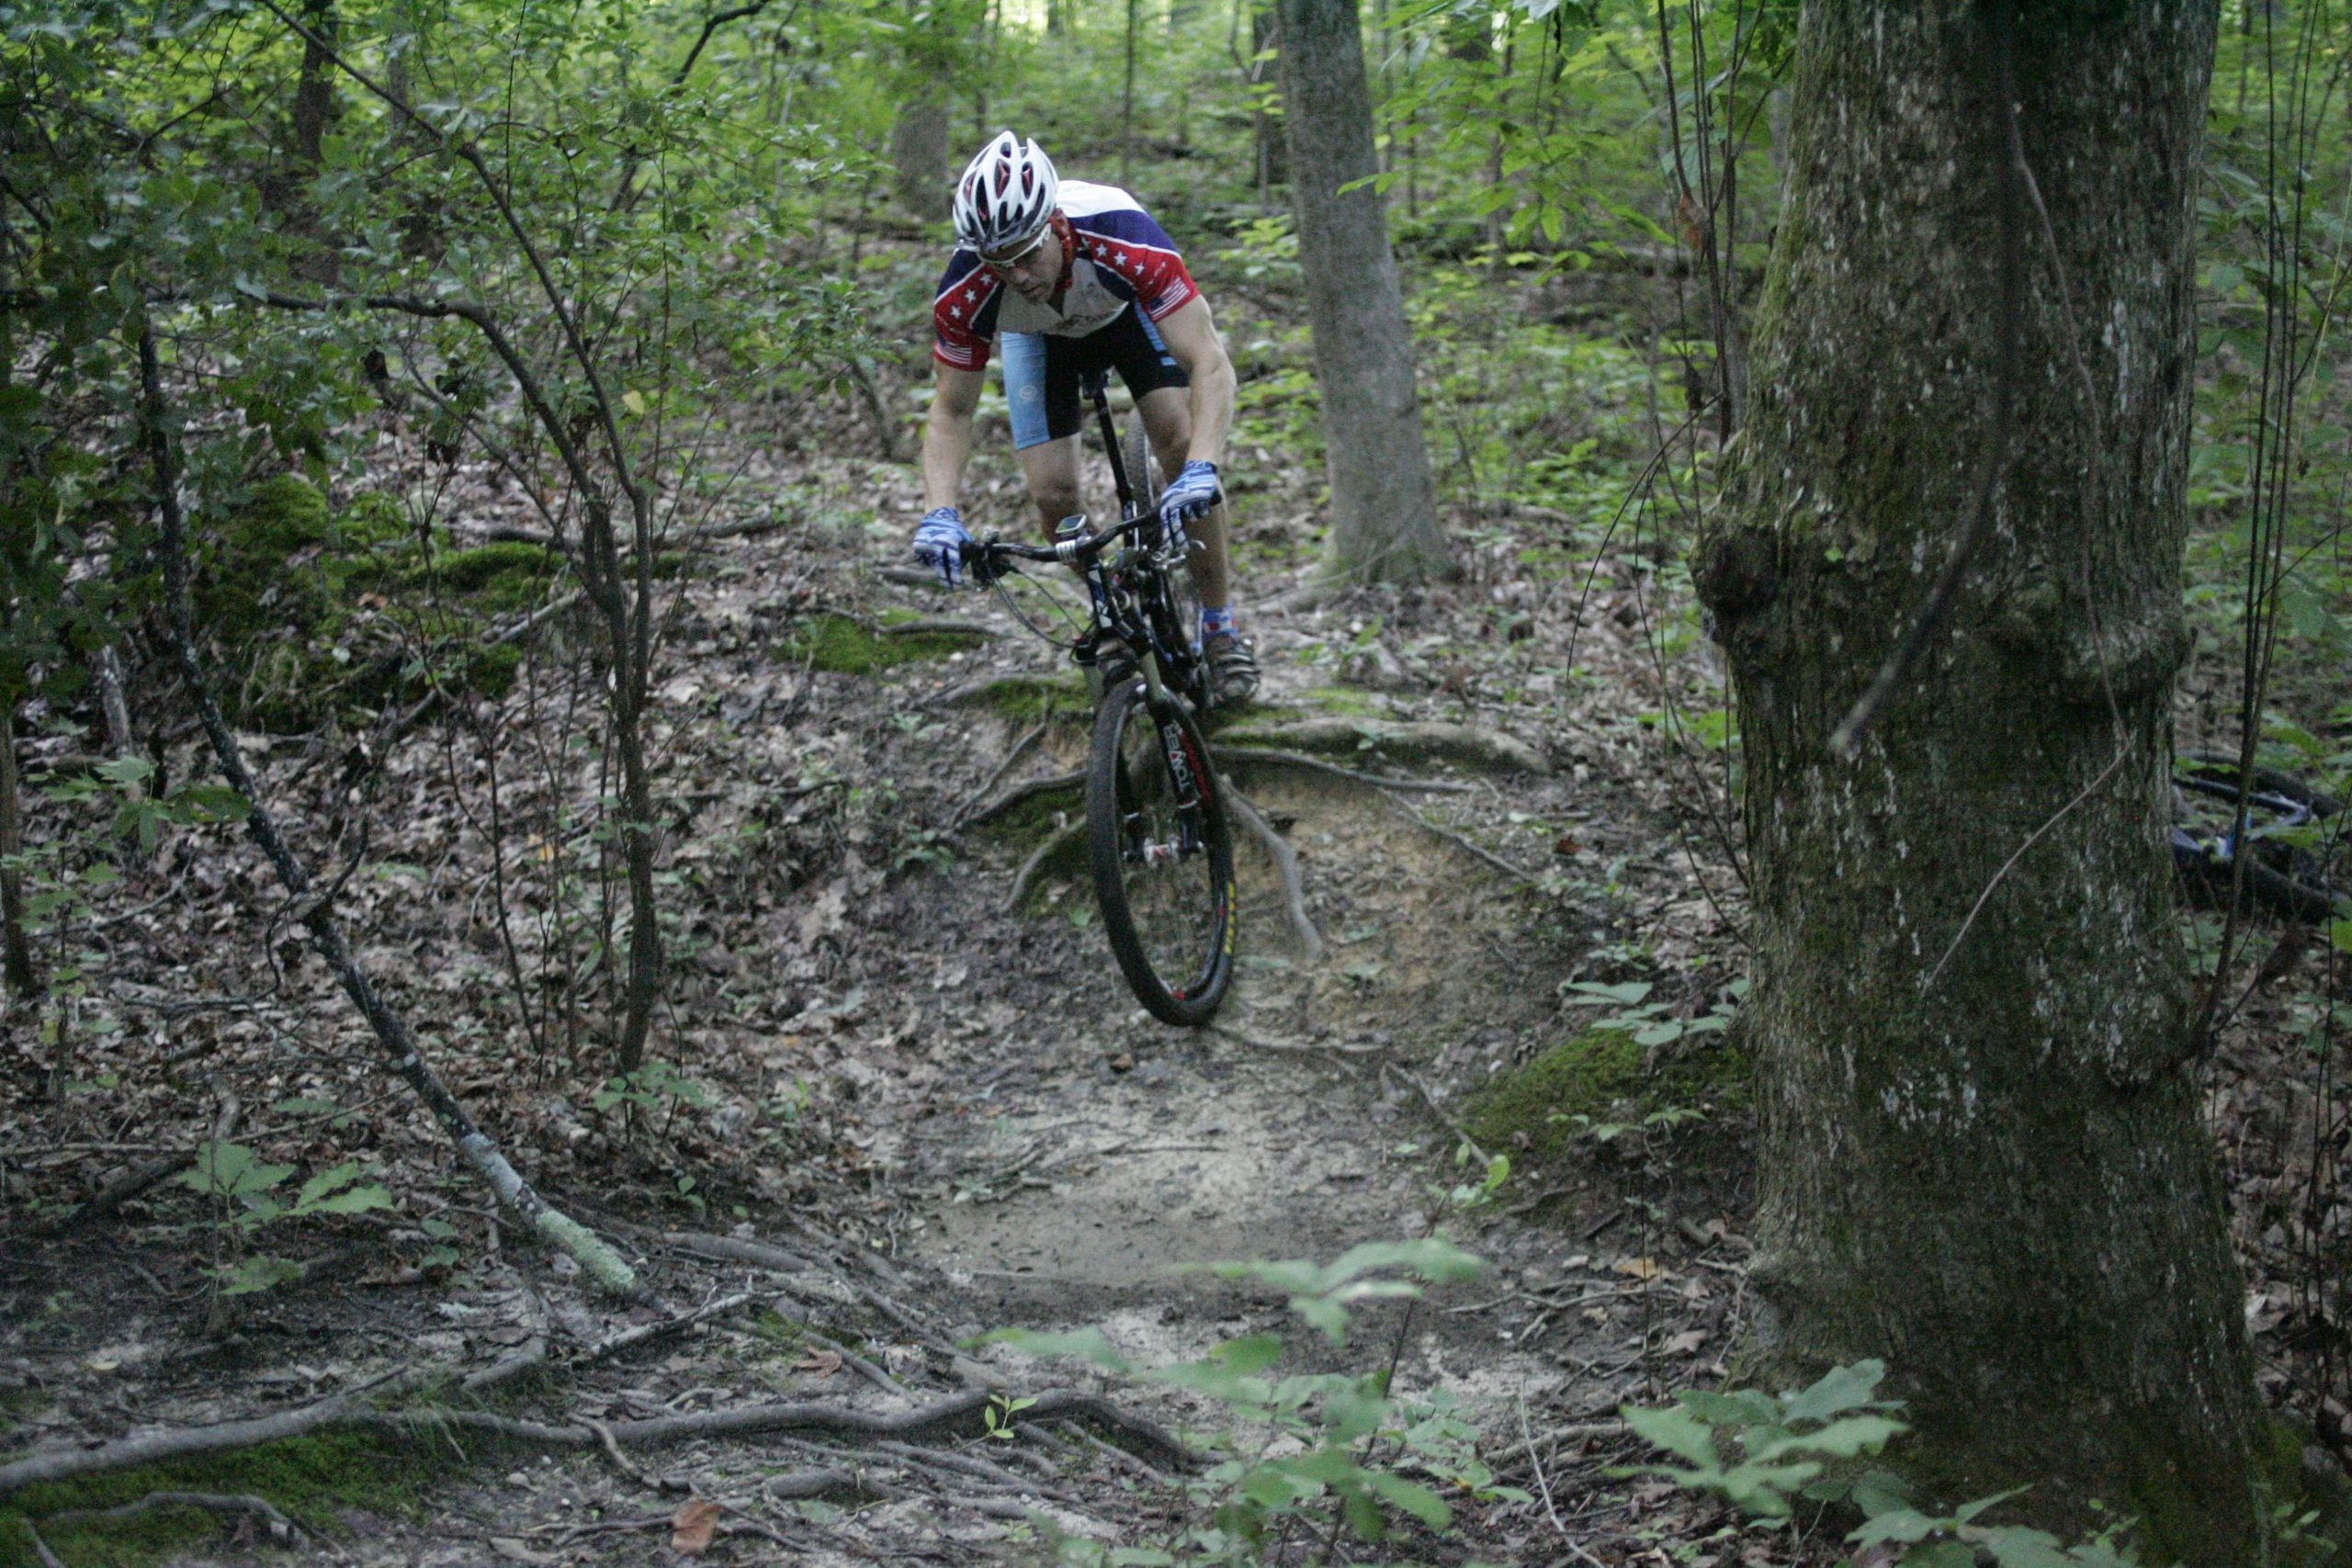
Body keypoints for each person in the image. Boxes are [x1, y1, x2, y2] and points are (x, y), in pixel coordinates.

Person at [910, 130, 1260, 705]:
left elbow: (1210, 363)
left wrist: (1202, 467)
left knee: (1177, 440)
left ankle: (1219, 626)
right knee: (1052, 496)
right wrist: (939, 513)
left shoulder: (1118, 229)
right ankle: (1112, 605)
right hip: (1039, 341)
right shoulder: (968, 289)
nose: (1017, 274)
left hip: (1126, 317)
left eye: (1026, 253)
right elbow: (952, 409)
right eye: (1000, 262)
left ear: (1054, 222)